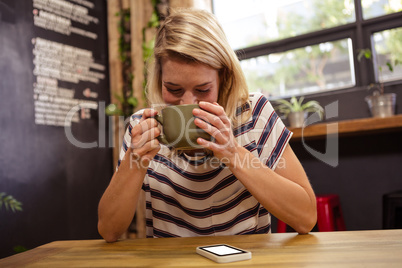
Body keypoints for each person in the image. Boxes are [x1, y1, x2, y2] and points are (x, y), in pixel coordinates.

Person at [98, 8, 317, 242]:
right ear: (159, 79)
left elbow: (305, 218)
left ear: (223, 78)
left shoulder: (254, 114)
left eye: (203, 90)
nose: (188, 103)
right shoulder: (144, 128)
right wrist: (136, 161)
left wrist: (234, 154)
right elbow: (109, 230)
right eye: (173, 89)